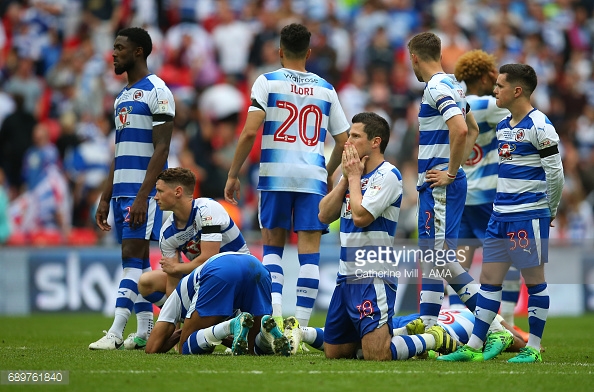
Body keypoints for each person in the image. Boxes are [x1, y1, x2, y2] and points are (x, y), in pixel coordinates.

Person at [224, 23, 350, 347]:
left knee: (273, 248)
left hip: (275, 175)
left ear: (279, 51)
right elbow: (344, 139)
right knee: (310, 254)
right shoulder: (326, 88)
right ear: (309, 52)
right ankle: (299, 333)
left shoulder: (267, 81)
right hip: (312, 179)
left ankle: (276, 317)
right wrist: (327, 169)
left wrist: (233, 173)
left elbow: (250, 132)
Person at [438, 64, 564, 363]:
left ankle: (532, 347)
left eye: (500, 85)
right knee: (489, 281)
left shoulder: (540, 126)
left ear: (517, 90)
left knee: (534, 281)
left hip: (527, 215)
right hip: (499, 213)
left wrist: (550, 209)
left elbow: (556, 174)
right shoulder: (505, 125)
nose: (495, 90)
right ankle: (474, 345)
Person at [318, 112, 458, 361]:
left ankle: (433, 338)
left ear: (375, 142)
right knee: (336, 353)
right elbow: (324, 215)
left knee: (377, 354)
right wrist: (346, 180)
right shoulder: (353, 175)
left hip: (373, 275)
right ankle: (400, 330)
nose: (347, 141)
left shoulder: (389, 175)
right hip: (345, 275)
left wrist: (352, 178)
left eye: (355, 135)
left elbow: (361, 217)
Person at [89, 27, 175, 350]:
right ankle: (143, 331)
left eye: (119, 48)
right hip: (122, 192)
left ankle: (115, 332)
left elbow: (162, 149)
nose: (113, 53)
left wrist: (143, 195)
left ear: (138, 51)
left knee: (132, 256)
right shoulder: (121, 98)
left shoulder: (158, 91)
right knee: (135, 265)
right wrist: (105, 195)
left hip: (144, 194)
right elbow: (119, 150)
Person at [407, 32, 483, 330]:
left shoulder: (436, 87)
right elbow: (473, 128)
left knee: (441, 259)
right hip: (440, 182)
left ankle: (494, 325)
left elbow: (462, 130)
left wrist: (451, 173)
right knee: (434, 260)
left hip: (441, 184)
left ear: (414, 56)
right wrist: (456, 167)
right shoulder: (453, 84)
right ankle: (427, 327)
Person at [450, 50, 523, 329]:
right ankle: (509, 323)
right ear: (484, 76)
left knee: (459, 265)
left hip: (460, 196)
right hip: (487, 197)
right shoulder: (486, 104)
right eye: (492, 80)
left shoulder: (452, 106)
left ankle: (456, 324)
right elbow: (523, 107)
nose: (495, 87)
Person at [138, 167, 250, 307]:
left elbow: (210, 260)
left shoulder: (207, 208)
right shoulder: (167, 233)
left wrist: (177, 267)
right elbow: (173, 281)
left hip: (241, 274)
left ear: (178, 192)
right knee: (147, 282)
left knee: (215, 274)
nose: (155, 196)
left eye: (160, 191)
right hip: (206, 279)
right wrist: (173, 324)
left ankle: (213, 320)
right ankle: (188, 321)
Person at [145, 252, 292, 357]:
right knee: (252, 350)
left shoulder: (175, 299)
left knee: (186, 348)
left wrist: (181, 333)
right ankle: (269, 338)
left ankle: (230, 326)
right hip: (257, 266)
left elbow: (151, 348)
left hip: (221, 271)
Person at [393, 308, 526, 355]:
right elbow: (517, 340)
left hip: (419, 318)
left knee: (375, 336)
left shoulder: (468, 309)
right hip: (440, 331)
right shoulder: (492, 323)